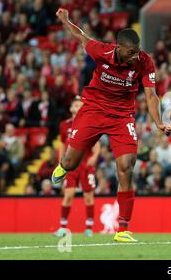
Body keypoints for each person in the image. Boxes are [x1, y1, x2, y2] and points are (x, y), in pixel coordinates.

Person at [51, 8, 171, 243]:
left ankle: (123, 228)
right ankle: (63, 166)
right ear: (119, 48)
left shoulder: (144, 62)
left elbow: (151, 95)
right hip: (93, 109)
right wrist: (66, 19)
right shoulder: (102, 51)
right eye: (131, 52)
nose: (135, 56)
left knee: (127, 166)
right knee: (71, 162)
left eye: (137, 52)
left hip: (122, 116)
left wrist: (158, 122)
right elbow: (81, 36)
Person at [54, 96, 100, 238]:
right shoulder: (64, 125)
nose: (77, 107)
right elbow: (62, 144)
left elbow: (96, 144)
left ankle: (89, 228)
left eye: (80, 105)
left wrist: (94, 156)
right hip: (70, 166)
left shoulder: (89, 124)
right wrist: (60, 162)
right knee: (68, 195)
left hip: (85, 165)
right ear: (71, 108)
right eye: (75, 105)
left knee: (88, 196)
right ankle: (62, 227)